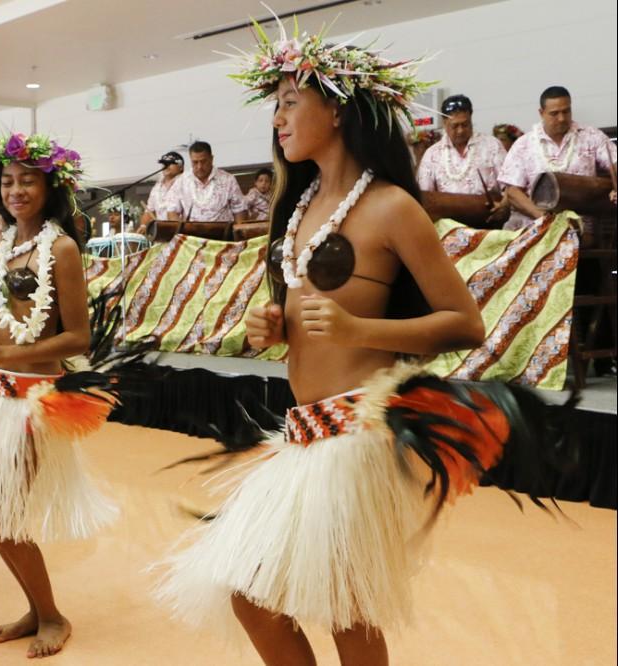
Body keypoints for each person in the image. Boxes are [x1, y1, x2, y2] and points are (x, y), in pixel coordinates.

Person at [154, 20, 558, 666]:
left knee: (348, 610)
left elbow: (465, 324)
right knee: (252, 595)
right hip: (303, 434)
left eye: (290, 102)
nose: (277, 119)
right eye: (276, 105)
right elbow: (309, 320)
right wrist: (275, 328)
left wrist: (357, 330)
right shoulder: (298, 208)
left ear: (337, 111)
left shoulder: (392, 207)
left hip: (356, 438)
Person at [0, 132, 117, 658]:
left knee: (5, 515)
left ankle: (52, 616)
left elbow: (78, 339)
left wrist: (7, 354)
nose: (15, 190)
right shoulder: (5, 247)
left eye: (27, 181)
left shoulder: (61, 248)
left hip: (31, 400)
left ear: (49, 187)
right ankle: (36, 608)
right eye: (7, 182)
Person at [499, 86, 617, 232]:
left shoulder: (591, 136)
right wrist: (543, 218)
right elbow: (512, 191)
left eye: (566, 111)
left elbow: (615, 162)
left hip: (581, 227)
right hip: (535, 226)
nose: (561, 118)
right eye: (554, 113)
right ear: (541, 113)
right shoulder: (524, 144)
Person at [417, 95, 510, 225]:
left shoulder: (492, 146)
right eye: (454, 126)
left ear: (471, 118)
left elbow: (511, 186)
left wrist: (504, 206)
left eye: (465, 124)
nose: (460, 131)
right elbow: (425, 196)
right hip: (448, 227)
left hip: (488, 222)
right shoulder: (432, 154)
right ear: (444, 123)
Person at [163, 141, 247, 222]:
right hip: (191, 231)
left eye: (203, 162)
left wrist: (238, 230)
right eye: (195, 162)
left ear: (211, 159)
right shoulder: (181, 181)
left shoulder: (228, 179)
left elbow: (240, 210)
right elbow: (172, 212)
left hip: (223, 231)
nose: (199, 166)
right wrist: (182, 228)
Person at [138, 151, 184, 231]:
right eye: (164, 163)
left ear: (181, 167)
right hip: (162, 233)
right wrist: (143, 226)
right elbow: (149, 211)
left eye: (170, 163)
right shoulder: (156, 188)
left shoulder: (186, 184)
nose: (166, 166)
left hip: (181, 232)